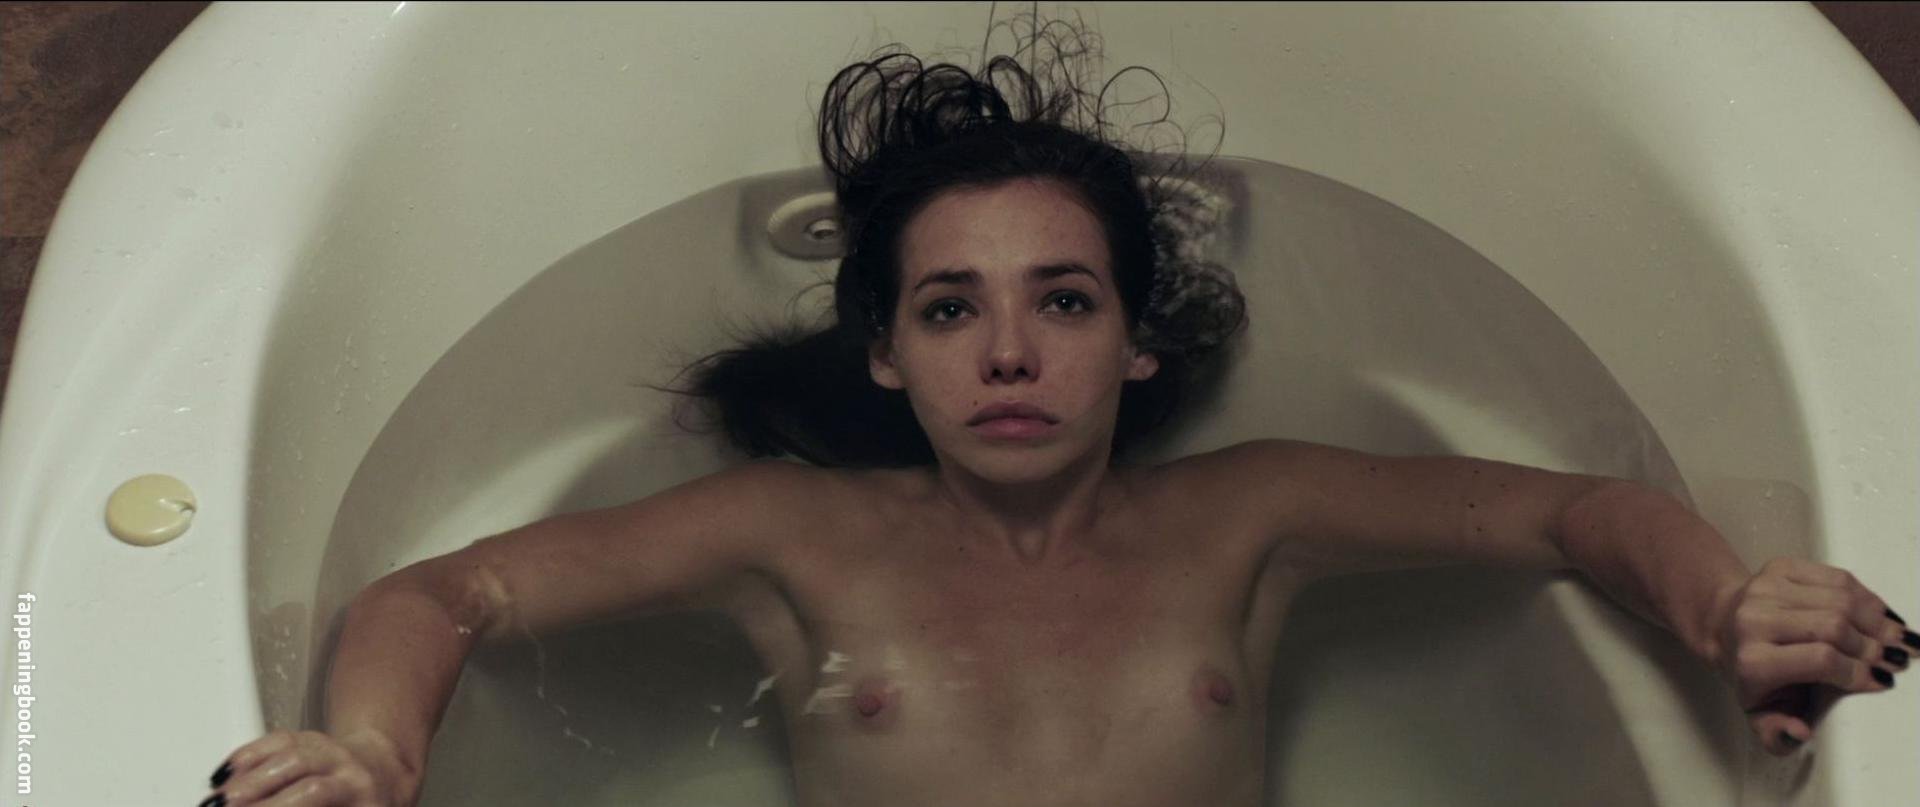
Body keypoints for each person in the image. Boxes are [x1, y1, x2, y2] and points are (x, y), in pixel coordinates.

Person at [195, 20, 1912, 807]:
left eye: (1064, 302)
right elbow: (449, 592)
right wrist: (375, 758)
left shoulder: (1246, 520)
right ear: (887, 353)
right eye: (952, 309)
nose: (1008, 355)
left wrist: (1724, 606)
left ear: (1136, 345)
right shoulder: (796, 536)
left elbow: (1567, 513)